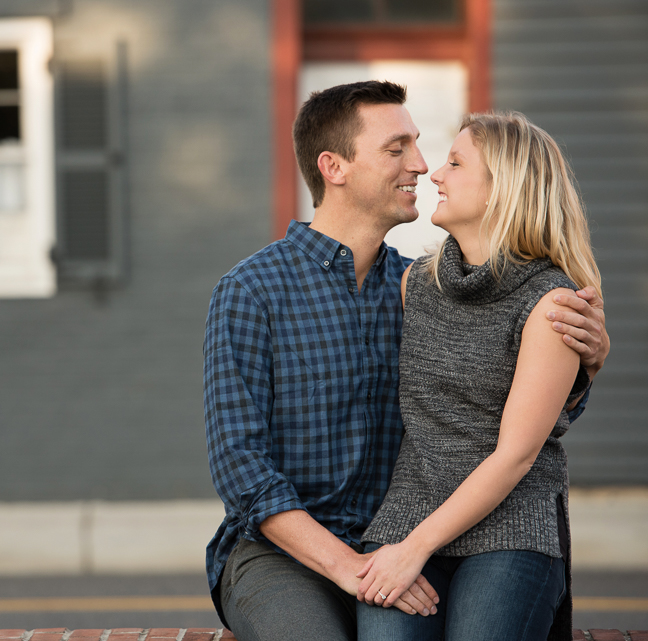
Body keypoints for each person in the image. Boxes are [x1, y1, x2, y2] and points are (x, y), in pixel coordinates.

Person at [203, 82, 609, 641]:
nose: (421, 165)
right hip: (286, 553)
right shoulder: (252, 291)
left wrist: (581, 370)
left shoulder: (422, 285)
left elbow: (496, 419)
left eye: (420, 146)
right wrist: (351, 567)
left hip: (408, 537)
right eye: (397, 149)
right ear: (334, 167)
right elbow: (241, 469)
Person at [354, 111, 601, 641]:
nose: (435, 175)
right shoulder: (414, 285)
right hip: (409, 514)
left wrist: (414, 549)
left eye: (456, 163)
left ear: (503, 190)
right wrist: (404, 545)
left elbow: (515, 454)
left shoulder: (551, 304)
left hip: (513, 527)